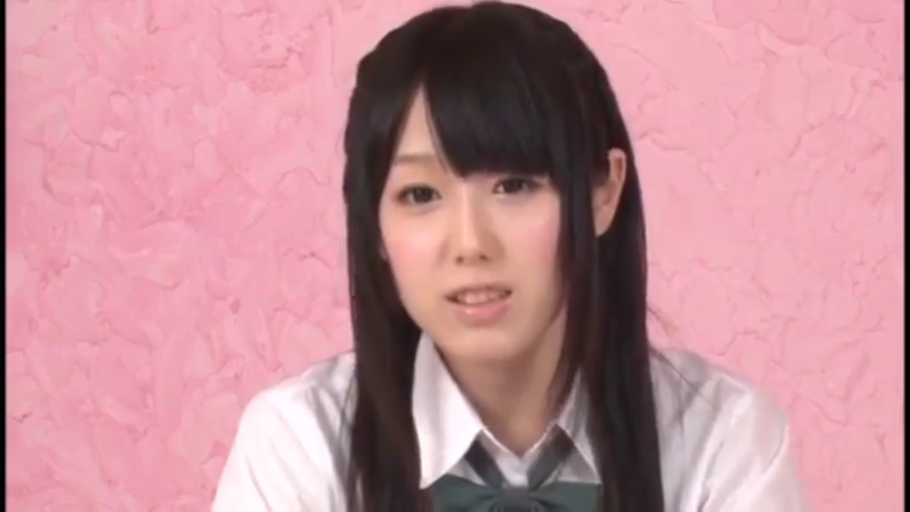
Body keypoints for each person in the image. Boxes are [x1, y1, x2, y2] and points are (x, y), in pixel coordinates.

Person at [211, 2, 806, 511]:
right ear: (372, 223)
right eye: (421, 195)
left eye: (514, 185)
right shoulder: (301, 445)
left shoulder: (720, 442)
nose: (470, 243)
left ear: (603, 192)